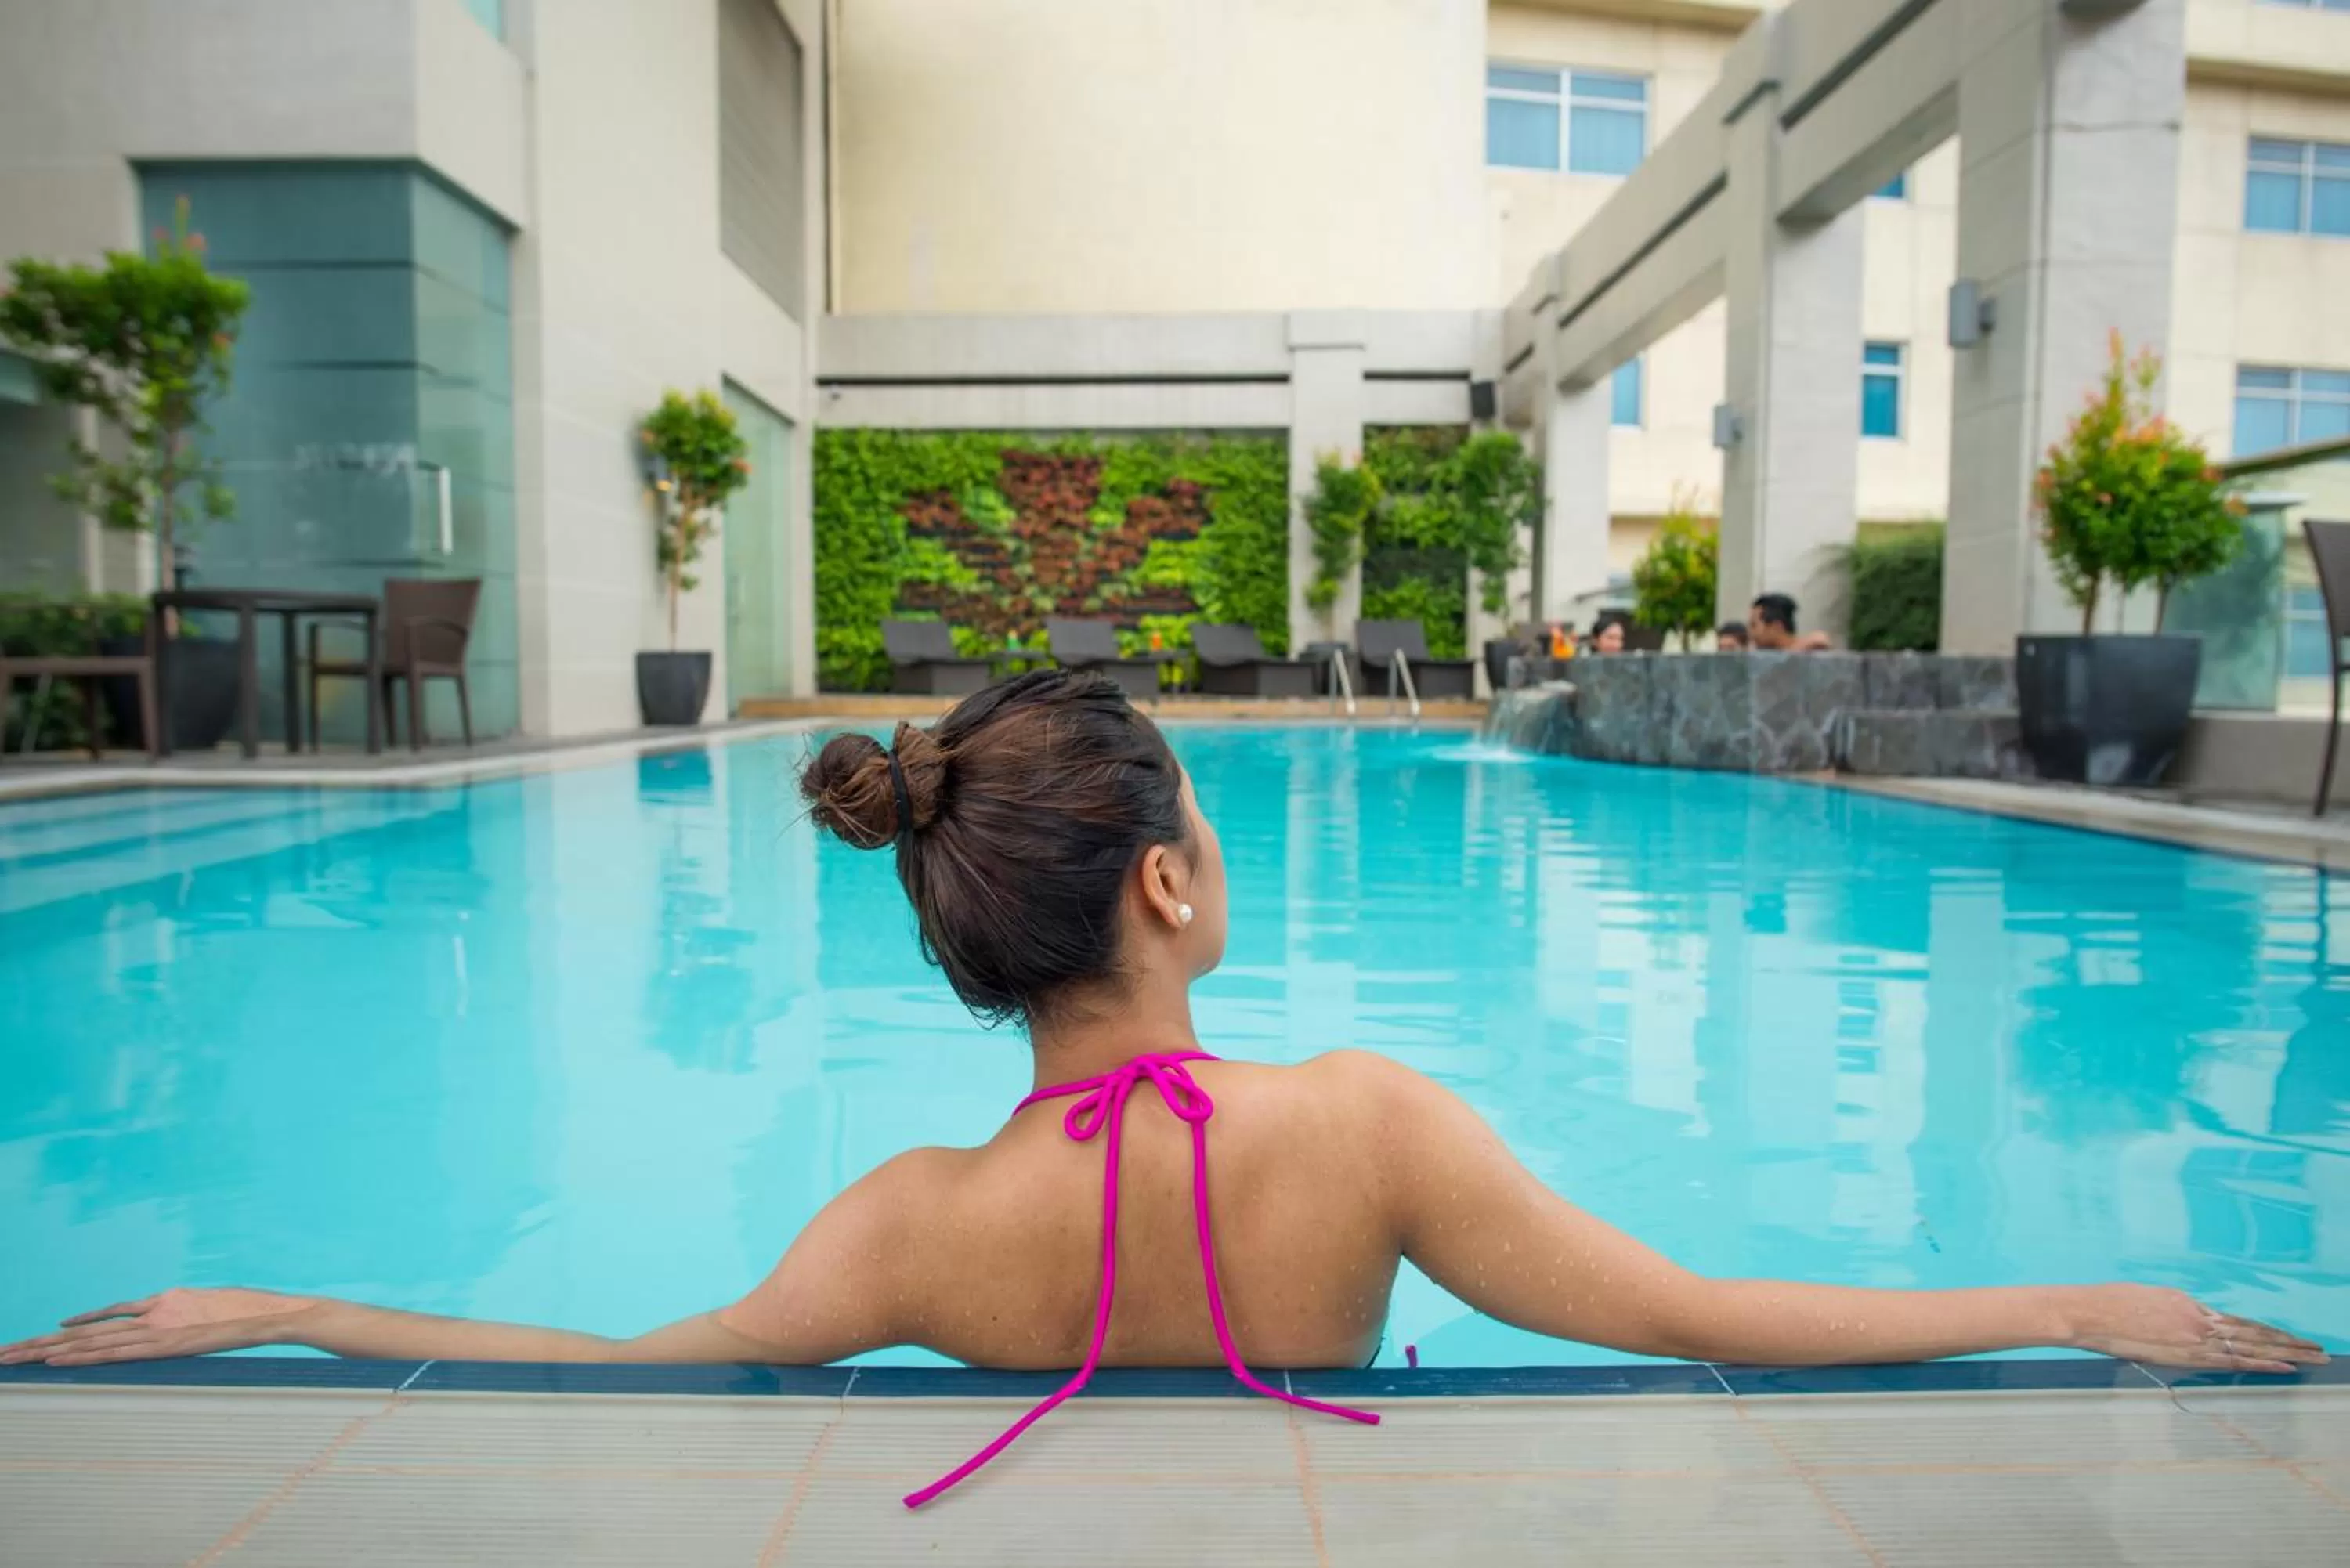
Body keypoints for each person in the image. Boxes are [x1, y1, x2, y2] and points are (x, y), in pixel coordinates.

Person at [1, 672, 2320, 1507]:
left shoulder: (905, 1218)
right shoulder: (1370, 1128)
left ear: (964, 930)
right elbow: (1694, 1307)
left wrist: (281, 1301)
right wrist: (2073, 1296)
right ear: (1179, 886)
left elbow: (630, 1360)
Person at [1749, 593, 1831, 652]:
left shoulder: (1808, 650)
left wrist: (1788, 656)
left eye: (1754, 625)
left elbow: (1820, 638)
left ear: (1776, 627)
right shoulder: (1767, 655)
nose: (1750, 633)